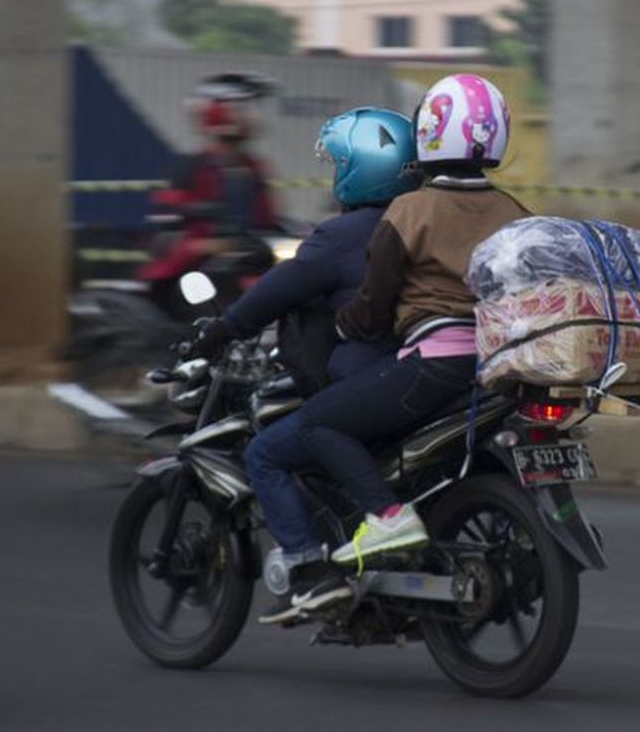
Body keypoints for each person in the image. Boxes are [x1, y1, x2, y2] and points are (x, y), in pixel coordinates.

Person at [256, 73, 528, 625]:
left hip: (434, 364)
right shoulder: (515, 213)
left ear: (429, 133)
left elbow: (373, 308)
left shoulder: (408, 211)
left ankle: (385, 515)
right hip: (498, 363)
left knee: (315, 425)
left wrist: (344, 327)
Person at [190, 107, 421, 614]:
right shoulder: (421, 219)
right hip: (426, 377)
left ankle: (309, 569)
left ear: (362, 168)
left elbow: (274, 291)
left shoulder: (342, 236)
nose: (334, 174)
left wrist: (222, 329)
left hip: (371, 381)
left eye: (339, 163)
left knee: (266, 452)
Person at [139, 72, 280, 311]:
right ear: (218, 112)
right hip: (196, 269)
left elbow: (269, 218)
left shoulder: (253, 167)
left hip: (248, 259)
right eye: (243, 107)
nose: (253, 116)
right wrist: (212, 241)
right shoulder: (191, 167)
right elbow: (167, 222)